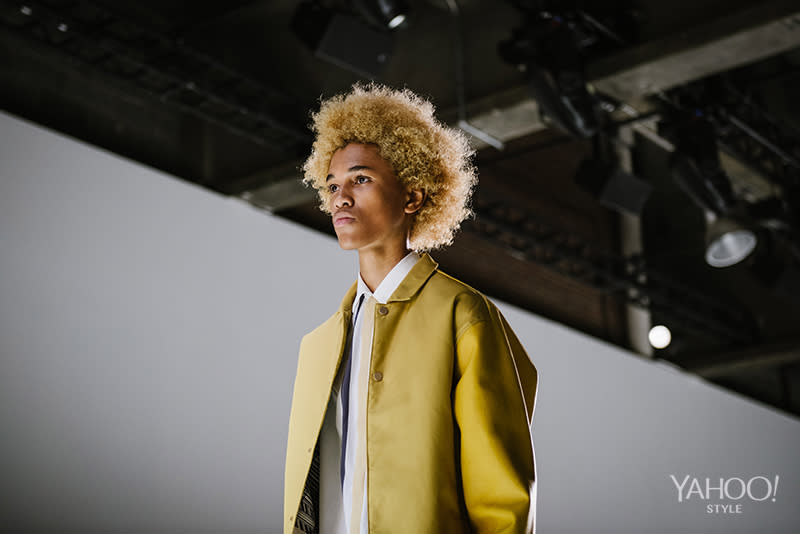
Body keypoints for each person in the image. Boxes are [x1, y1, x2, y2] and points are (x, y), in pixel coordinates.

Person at [284, 83, 538, 534]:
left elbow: (502, 497)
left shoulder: (463, 316)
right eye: (333, 185)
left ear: (413, 196)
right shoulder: (318, 346)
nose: (341, 197)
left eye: (361, 178)